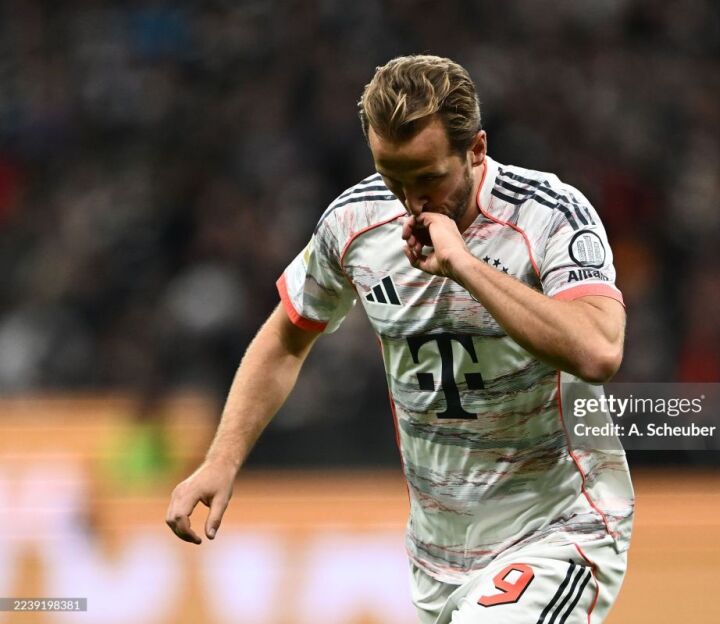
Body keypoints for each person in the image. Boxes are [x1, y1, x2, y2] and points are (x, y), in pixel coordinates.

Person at [167, 54, 634, 623]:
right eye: (393, 178)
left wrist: (465, 265)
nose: (412, 200)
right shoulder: (355, 223)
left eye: (429, 177)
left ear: (476, 150)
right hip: (437, 557)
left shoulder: (548, 215)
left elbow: (599, 350)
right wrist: (222, 459)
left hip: (558, 529)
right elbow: (286, 338)